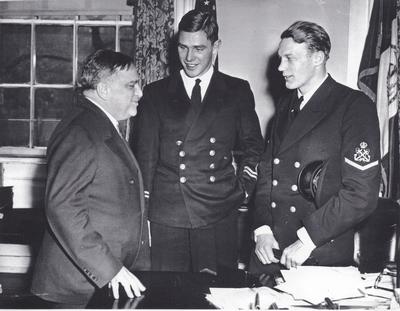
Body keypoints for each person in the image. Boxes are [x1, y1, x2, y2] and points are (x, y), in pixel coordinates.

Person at [133, 9, 264, 273]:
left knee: (217, 293)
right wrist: (143, 211)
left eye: (199, 48)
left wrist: (243, 189)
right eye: (183, 47)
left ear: (216, 47)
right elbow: (144, 158)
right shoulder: (155, 93)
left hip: (218, 209)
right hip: (168, 214)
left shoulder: (237, 91)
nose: (189, 58)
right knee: (169, 297)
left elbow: (254, 147)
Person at [250, 21, 380, 272]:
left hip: (317, 252)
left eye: (290, 58)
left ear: (318, 57)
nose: (280, 67)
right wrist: (262, 229)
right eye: (280, 59)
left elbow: (361, 194)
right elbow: (267, 171)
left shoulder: (353, 106)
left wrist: (307, 239)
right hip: (272, 249)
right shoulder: (287, 105)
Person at [31, 49, 150, 308]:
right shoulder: (80, 131)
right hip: (78, 287)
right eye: (131, 85)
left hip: (100, 282)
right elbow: (62, 207)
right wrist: (111, 269)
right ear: (104, 90)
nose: (140, 92)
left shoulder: (99, 124)